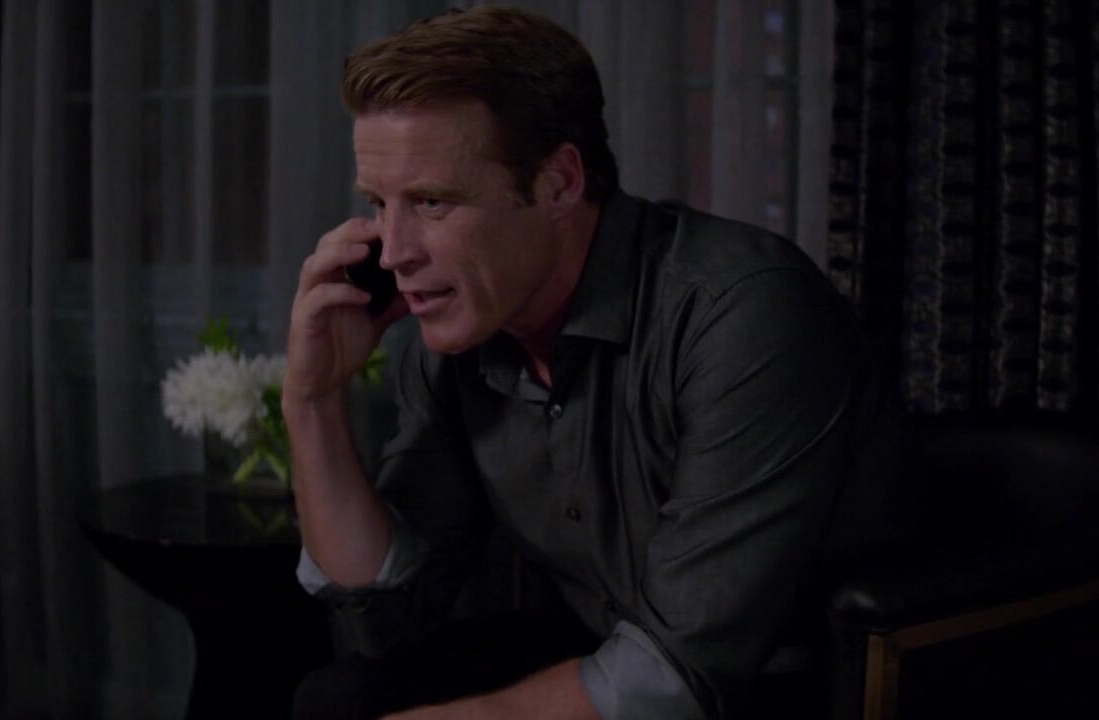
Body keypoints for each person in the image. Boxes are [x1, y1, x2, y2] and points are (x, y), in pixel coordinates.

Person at [284, 6, 902, 719]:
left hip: (780, 691)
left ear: (560, 183)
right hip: (612, 651)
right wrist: (313, 400)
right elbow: (384, 618)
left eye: (431, 202)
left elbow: (682, 672)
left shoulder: (743, 312)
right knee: (339, 697)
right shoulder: (463, 330)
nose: (393, 252)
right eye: (378, 203)